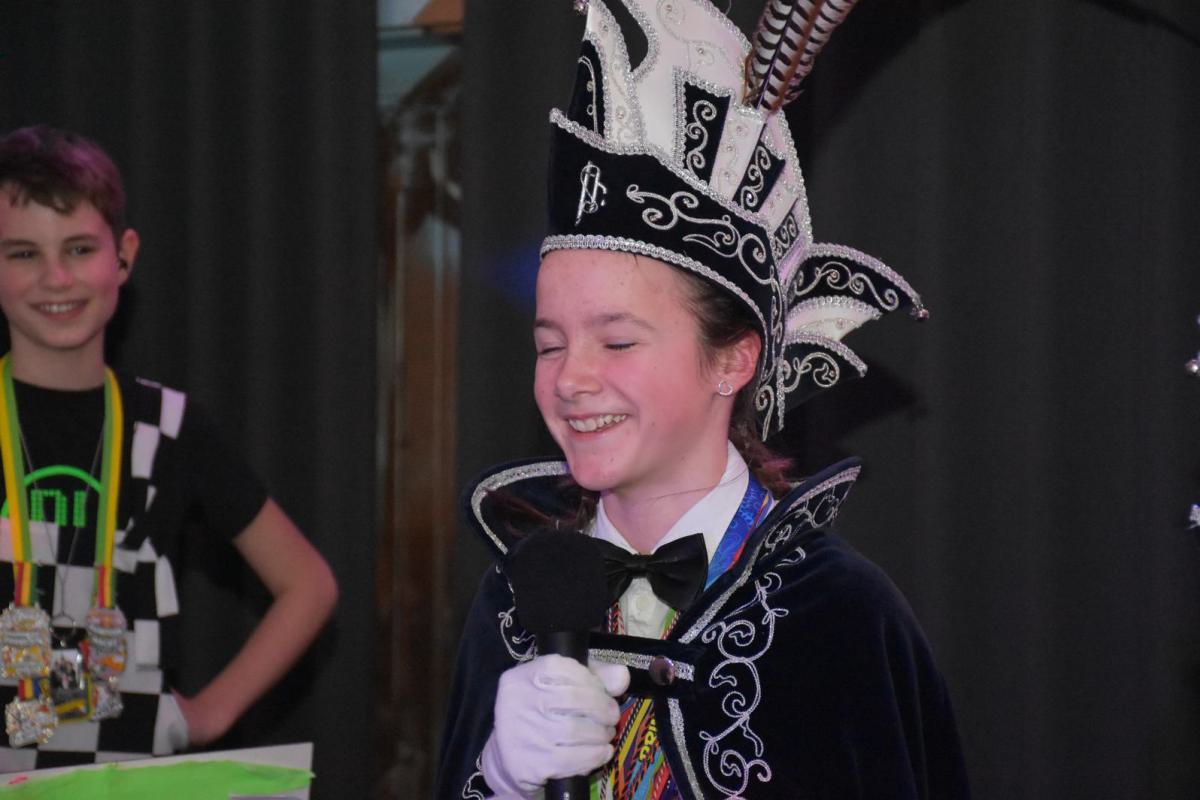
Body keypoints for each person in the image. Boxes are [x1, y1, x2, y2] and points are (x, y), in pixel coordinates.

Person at [437, 1, 970, 798]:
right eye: (549, 344)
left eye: (618, 341)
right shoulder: (511, 604)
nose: (570, 378)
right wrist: (502, 780)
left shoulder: (842, 618)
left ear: (733, 360)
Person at [0, 125, 337, 770]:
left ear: (123, 256)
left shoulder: (169, 426)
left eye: (79, 248)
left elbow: (309, 584)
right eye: (23, 253)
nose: (55, 277)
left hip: (130, 774)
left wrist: (210, 712)